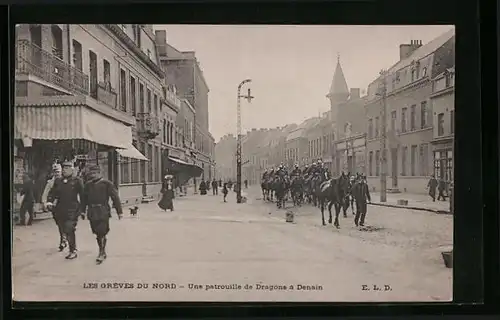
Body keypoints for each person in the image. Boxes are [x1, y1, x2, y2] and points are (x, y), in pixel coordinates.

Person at [80, 165, 123, 264]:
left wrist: (119, 212)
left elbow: (115, 198)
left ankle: (102, 252)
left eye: (95, 173)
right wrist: (82, 211)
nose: (93, 175)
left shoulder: (107, 184)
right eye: (91, 173)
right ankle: (102, 249)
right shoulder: (88, 185)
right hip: (92, 211)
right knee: (97, 232)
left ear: (100, 173)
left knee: (102, 231)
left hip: (103, 211)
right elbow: (84, 199)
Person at [46, 161, 84, 259]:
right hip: (60, 209)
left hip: (73, 209)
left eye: (67, 168)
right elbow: (52, 193)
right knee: (62, 228)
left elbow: (83, 195)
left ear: (72, 169)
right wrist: (49, 202)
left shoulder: (77, 181)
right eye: (63, 168)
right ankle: (65, 240)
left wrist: (83, 209)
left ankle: (73, 250)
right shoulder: (58, 181)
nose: (64, 170)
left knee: (69, 228)